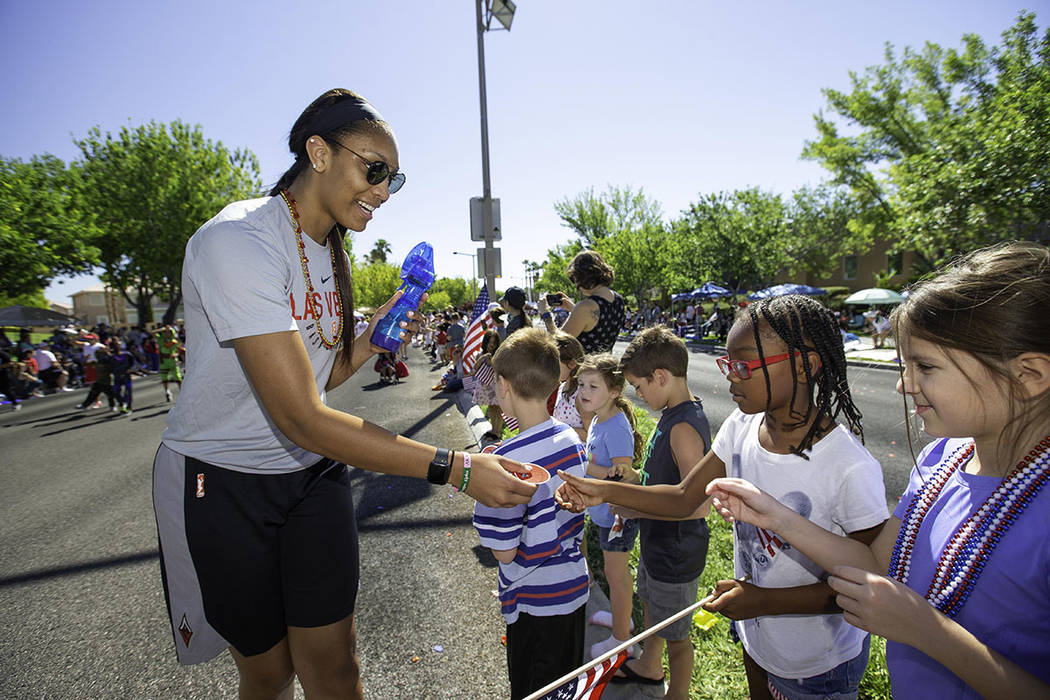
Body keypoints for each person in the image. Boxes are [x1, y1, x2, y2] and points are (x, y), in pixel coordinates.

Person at [152, 88, 535, 700]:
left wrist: (370, 338)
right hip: (222, 480)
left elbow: (321, 379)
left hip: (310, 475)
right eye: (374, 169)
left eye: (394, 179)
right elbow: (302, 416)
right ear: (318, 153)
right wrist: (457, 468)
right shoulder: (239, 240)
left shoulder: (329, 249)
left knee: (336, 668)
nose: (383, 191)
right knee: (269, 673)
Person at [705, 242, 1050, 699]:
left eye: (925, 366)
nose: (905, 385)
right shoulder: (940, 460)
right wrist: (772, 515)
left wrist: (928, 631)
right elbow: (877, 564)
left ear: (1029, 376)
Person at [556, 294, 888, 700]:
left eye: (744, 365)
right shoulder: (741, 425)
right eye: (728, 364)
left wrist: (764, 600)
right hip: (756, 638)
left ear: (805, 365)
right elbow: (682, 495)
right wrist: (602, 491)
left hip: (817, 665)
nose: (731, 376)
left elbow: (868, 584)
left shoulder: (849, 467)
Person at [472, 328, 590, 699]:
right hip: (572, 587)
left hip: (534, 600)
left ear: (503, 386)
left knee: (533, 688)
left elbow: (504, 553)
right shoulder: (571, 438)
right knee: (565, 688)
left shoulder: (502, 463)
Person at [606, 326, 712, 699]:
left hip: (677, 551)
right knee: (653, 608)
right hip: (659, 544)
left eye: (639, 385)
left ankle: (677, 693)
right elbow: (660, 479)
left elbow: (698, 505)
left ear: (661, 377)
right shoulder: (672, 414)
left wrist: (635, 506)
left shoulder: (683, 427)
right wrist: (635, 482)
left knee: (677, 636)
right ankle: (651, 666)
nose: (637, 394)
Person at [575, 353, 646, 660]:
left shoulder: (615, 427)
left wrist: (585, 469)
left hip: (618, 516)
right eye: (580, 384)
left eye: (593, 386)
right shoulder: (599, 419)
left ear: (615, 391)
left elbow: (622, 476)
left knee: (617, 576)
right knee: (612, 571)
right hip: (605, 514)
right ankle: (623, 619)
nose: (584, 392)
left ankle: (621, 640)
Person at [537, 250, 626, 354]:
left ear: (582, 277)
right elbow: (596, 322)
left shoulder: (585, 307)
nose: (575, 285)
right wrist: (573, 308)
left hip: (585, 368)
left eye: (574, 279)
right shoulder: (618, 299)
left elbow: (557, 342)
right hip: (605, 366)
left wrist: (545, 314)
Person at [550, 331, 588, 441]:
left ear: (572, 364)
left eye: (555, 365)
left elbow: (589, 433)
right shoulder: (562, 387)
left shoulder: (581, 394)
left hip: (578, 454)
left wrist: (559, 429)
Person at [469, 329, 503, 440]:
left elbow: (498, 370)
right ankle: (493, 429)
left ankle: (497, 432)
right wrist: (483, 358)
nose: (491, 345)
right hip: (485, 387)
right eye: (489, 342)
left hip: (495, 386)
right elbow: (475, 367)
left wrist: (491, 361)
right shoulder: (480, 354)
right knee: (491, 408)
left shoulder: (498, 356)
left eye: (494, 343)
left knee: (497, 409)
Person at [157, 323, 182, 401]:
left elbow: (179, 351)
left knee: (178, 377)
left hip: (173, 361)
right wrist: (163, 329)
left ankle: (182, 392)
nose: (167, 333)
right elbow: (152, 333)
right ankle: (167, 392)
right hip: (163, 361)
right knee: (164, 378)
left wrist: (175, 354)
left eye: (169, 332)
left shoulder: (175, 341)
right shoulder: (161, 340)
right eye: (166, 332)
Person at [110, 340, 135, 414]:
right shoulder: (111, 357)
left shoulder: (127, 355)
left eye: (118, 345)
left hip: (126, 376)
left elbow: (133, 363)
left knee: (128, 391)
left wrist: (130, 369)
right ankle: (122, 404)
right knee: (116, 391)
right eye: (115, 345)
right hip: (117, 377)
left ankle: (128, 407)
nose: (117, 347)